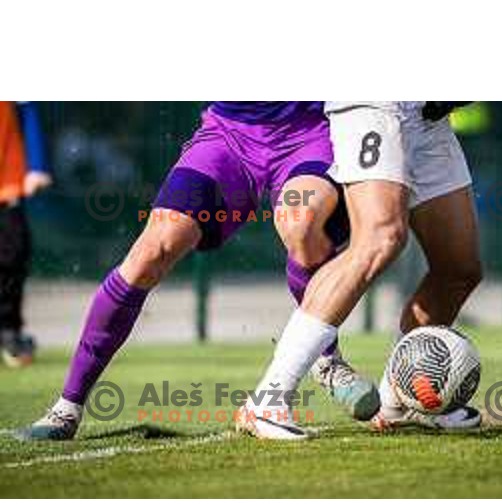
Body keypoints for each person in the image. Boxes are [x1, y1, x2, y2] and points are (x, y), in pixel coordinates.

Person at [21, 101, 378, 441]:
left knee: (301, 222)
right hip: (228, 135)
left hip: (309, 134)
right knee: (151, 251)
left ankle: (327, 361)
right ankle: (67, 406)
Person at [240, 101, 483, 439]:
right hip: (374, 102)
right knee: (380, 239)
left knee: (459, 269)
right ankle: (269, 399)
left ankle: (399, 402)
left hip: (429, 116)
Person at [0, 101, 52, 368]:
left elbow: (28, 106)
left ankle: (9, 330)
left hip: (7, 181)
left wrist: (37, 165)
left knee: (15, 252)